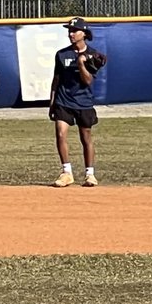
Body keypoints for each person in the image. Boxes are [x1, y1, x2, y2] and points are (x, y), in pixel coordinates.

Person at [49, 16, 107, 188]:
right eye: (69, 31)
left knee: (86, 138)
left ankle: (90, 174)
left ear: (84, 34)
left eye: (75, 31)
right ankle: (66, 172)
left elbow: (88, 81)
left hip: (83, 101)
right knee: (60, 133)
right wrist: (51, 102)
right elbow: (56, 79)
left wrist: (82, 63)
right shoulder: (62, 54)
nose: (71, 34)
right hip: (63, 100)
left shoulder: (93, 55)